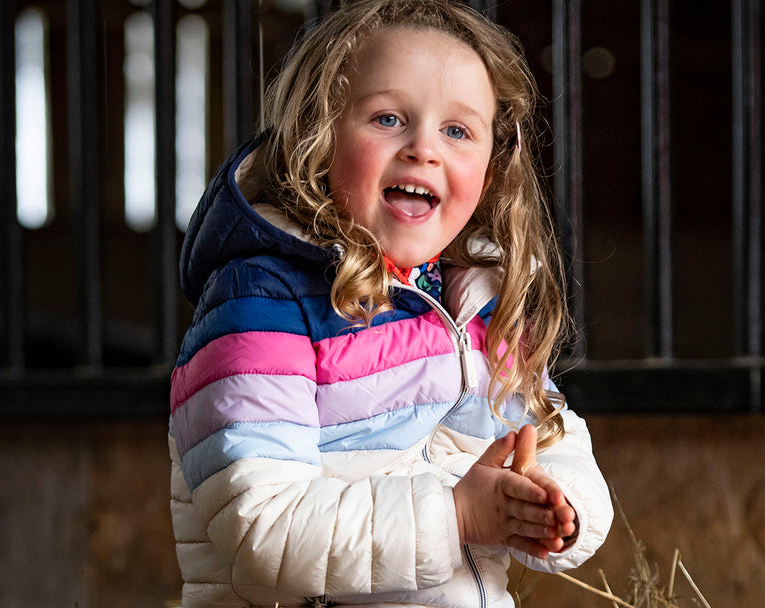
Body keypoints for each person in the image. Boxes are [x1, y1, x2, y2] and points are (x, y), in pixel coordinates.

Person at [168, 0, 612, 605]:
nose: (423, 149)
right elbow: (262, 523)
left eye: (457, 130)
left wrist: (551, 505)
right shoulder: (261, 302)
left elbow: (563, 448)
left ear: (493, 163)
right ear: (317, 136)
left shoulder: (482, 306)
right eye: (387, 119)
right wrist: (460, 517)